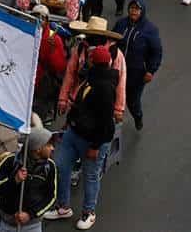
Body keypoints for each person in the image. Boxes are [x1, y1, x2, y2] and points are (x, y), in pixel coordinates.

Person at [45, 22, 126, 230]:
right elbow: (72, 79)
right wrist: (66, 107)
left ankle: (89, 211)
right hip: (74, 131)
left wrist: (95, 146)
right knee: (62, 166)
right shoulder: (90, 75)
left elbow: (106, 123)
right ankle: (63, 206)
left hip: (92, 140)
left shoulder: (105, 87)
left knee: (91, 175)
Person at [0, 126, 57, 232]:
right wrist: (14, 180)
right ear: (38, 149)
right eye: (49, 145)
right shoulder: (10, 161)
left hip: (33, 225)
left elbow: (52, 196)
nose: (52, 148)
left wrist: (30, 214)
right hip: (7, 225)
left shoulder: (50, 166)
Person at [112, 0, 162, 131]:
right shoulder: (121, 24)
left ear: (142, 11)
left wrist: (151, 71)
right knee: (113, 97)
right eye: (132, 8)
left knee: (132, 102)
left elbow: (156, 52)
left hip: (137, 74)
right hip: (118, 69)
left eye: (137, 9)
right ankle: (113, 125)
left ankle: (138, 116)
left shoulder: (150, 30)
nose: (133, 11)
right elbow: (112, 41)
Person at [31, 5, 67, 123]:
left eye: (42, 17)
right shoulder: (24, 32)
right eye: (36, 16)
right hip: (25, 77)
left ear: (47, 20)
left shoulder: (54, 39)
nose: (39, 20)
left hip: (43, 82)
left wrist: (51, 50)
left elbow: (59, 66)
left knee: (36, 116)